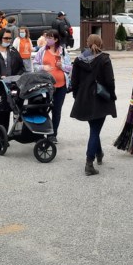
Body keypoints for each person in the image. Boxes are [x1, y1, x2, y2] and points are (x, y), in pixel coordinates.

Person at [70, 34, 117, 176]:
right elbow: (110, 80)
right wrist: (112, 95)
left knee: (94, 128)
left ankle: (99, 153)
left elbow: (74, 81)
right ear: (100, 43)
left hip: (84, 98)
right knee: (95, 130)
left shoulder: (79, 59)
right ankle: (89, 162)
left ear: (87, 43)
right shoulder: (104, 59)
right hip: (100, 98)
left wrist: (76, 96)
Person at [33, 29, 73, 142]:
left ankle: (53, 134)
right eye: (47, 37)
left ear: (56, 39)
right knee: (43, 109)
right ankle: (40, 133)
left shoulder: (63, 51)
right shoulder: (42, 51)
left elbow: (70, 67)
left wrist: (62, 66)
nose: (47, 40)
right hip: (45, 85)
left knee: (56, 110)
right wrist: (43, 67)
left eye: (50, 38)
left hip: (61, 86)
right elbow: (35, 64)